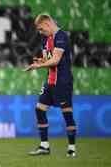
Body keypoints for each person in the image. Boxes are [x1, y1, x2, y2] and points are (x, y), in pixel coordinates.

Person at [25, 14, 77, 157]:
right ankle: (44, 146)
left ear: (48, 23)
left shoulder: (61, 37)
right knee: (39, 109)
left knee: (67, 112)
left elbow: (55, 61)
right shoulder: (44, 39)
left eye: (41, 29)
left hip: (63, 81)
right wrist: (40, 61)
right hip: (50, 80)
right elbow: (48, 59)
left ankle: (72, 148)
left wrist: (37, 67)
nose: (40, 32)